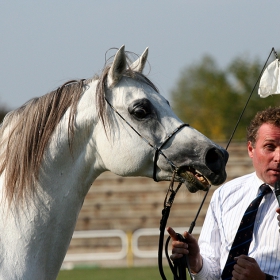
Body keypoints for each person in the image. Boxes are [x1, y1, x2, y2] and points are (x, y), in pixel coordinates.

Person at [168, 106, 280, 279]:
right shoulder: (225, 195)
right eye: (270, 147)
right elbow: (211, 273)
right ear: (251, 149)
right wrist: (196, 262)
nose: (278, 156)